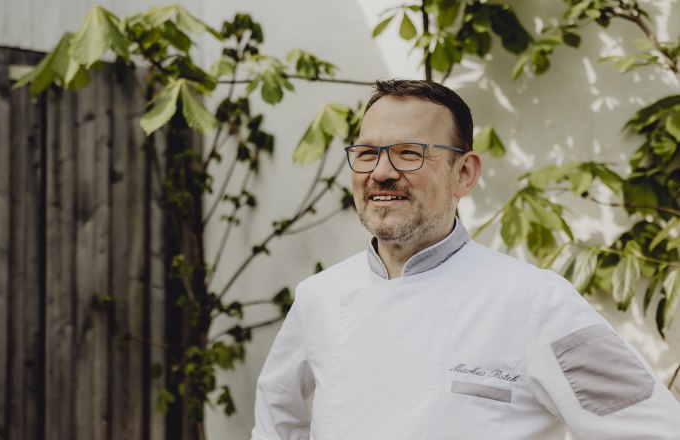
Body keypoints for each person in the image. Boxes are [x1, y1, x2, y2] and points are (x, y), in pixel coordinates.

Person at [250, 79, 680, 439]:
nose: (381, 172)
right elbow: (275, 423)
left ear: (465, 174)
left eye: (408, 152)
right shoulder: (319, 297)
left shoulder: (534, 302)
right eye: (367, 153)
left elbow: (652, 430)